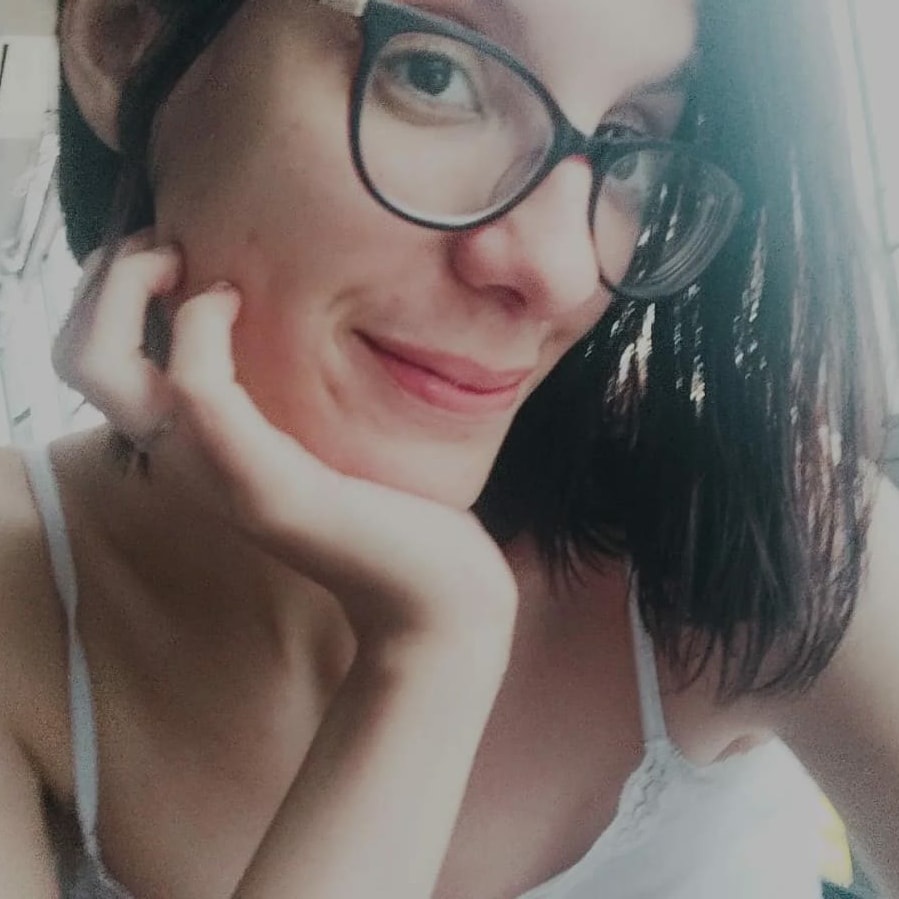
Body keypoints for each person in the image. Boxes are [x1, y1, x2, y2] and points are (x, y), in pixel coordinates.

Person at [0, 0, 895, 897]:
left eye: (626, 145)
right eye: (433, 73)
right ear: (127, 39)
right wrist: (433, 646)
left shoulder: (760, 518)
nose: (561, 269)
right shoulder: (21, 590)